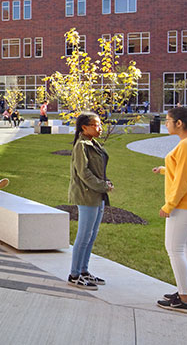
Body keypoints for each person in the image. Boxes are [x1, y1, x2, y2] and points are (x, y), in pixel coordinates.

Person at [152, 106, 187, 314]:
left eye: (168, 120)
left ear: (179, 123)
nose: (165, 123)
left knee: (174, 248)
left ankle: (184, 300)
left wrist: (169, 205)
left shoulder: (186, 145)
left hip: (186, 204)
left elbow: (184, 181)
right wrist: (164, 170)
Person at [67, 113, 113, 290]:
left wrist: (104, 184)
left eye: (100, 124)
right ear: (84, 127)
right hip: (87, 195)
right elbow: (83, 173)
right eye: (95, 125)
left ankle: (84, 271)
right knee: (84, 235)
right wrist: (102, 185)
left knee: (92, 235)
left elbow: (97, 168)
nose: (100, 128)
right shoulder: (81, 146)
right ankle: (74, 274)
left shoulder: (93, 143)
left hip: (97, 194)